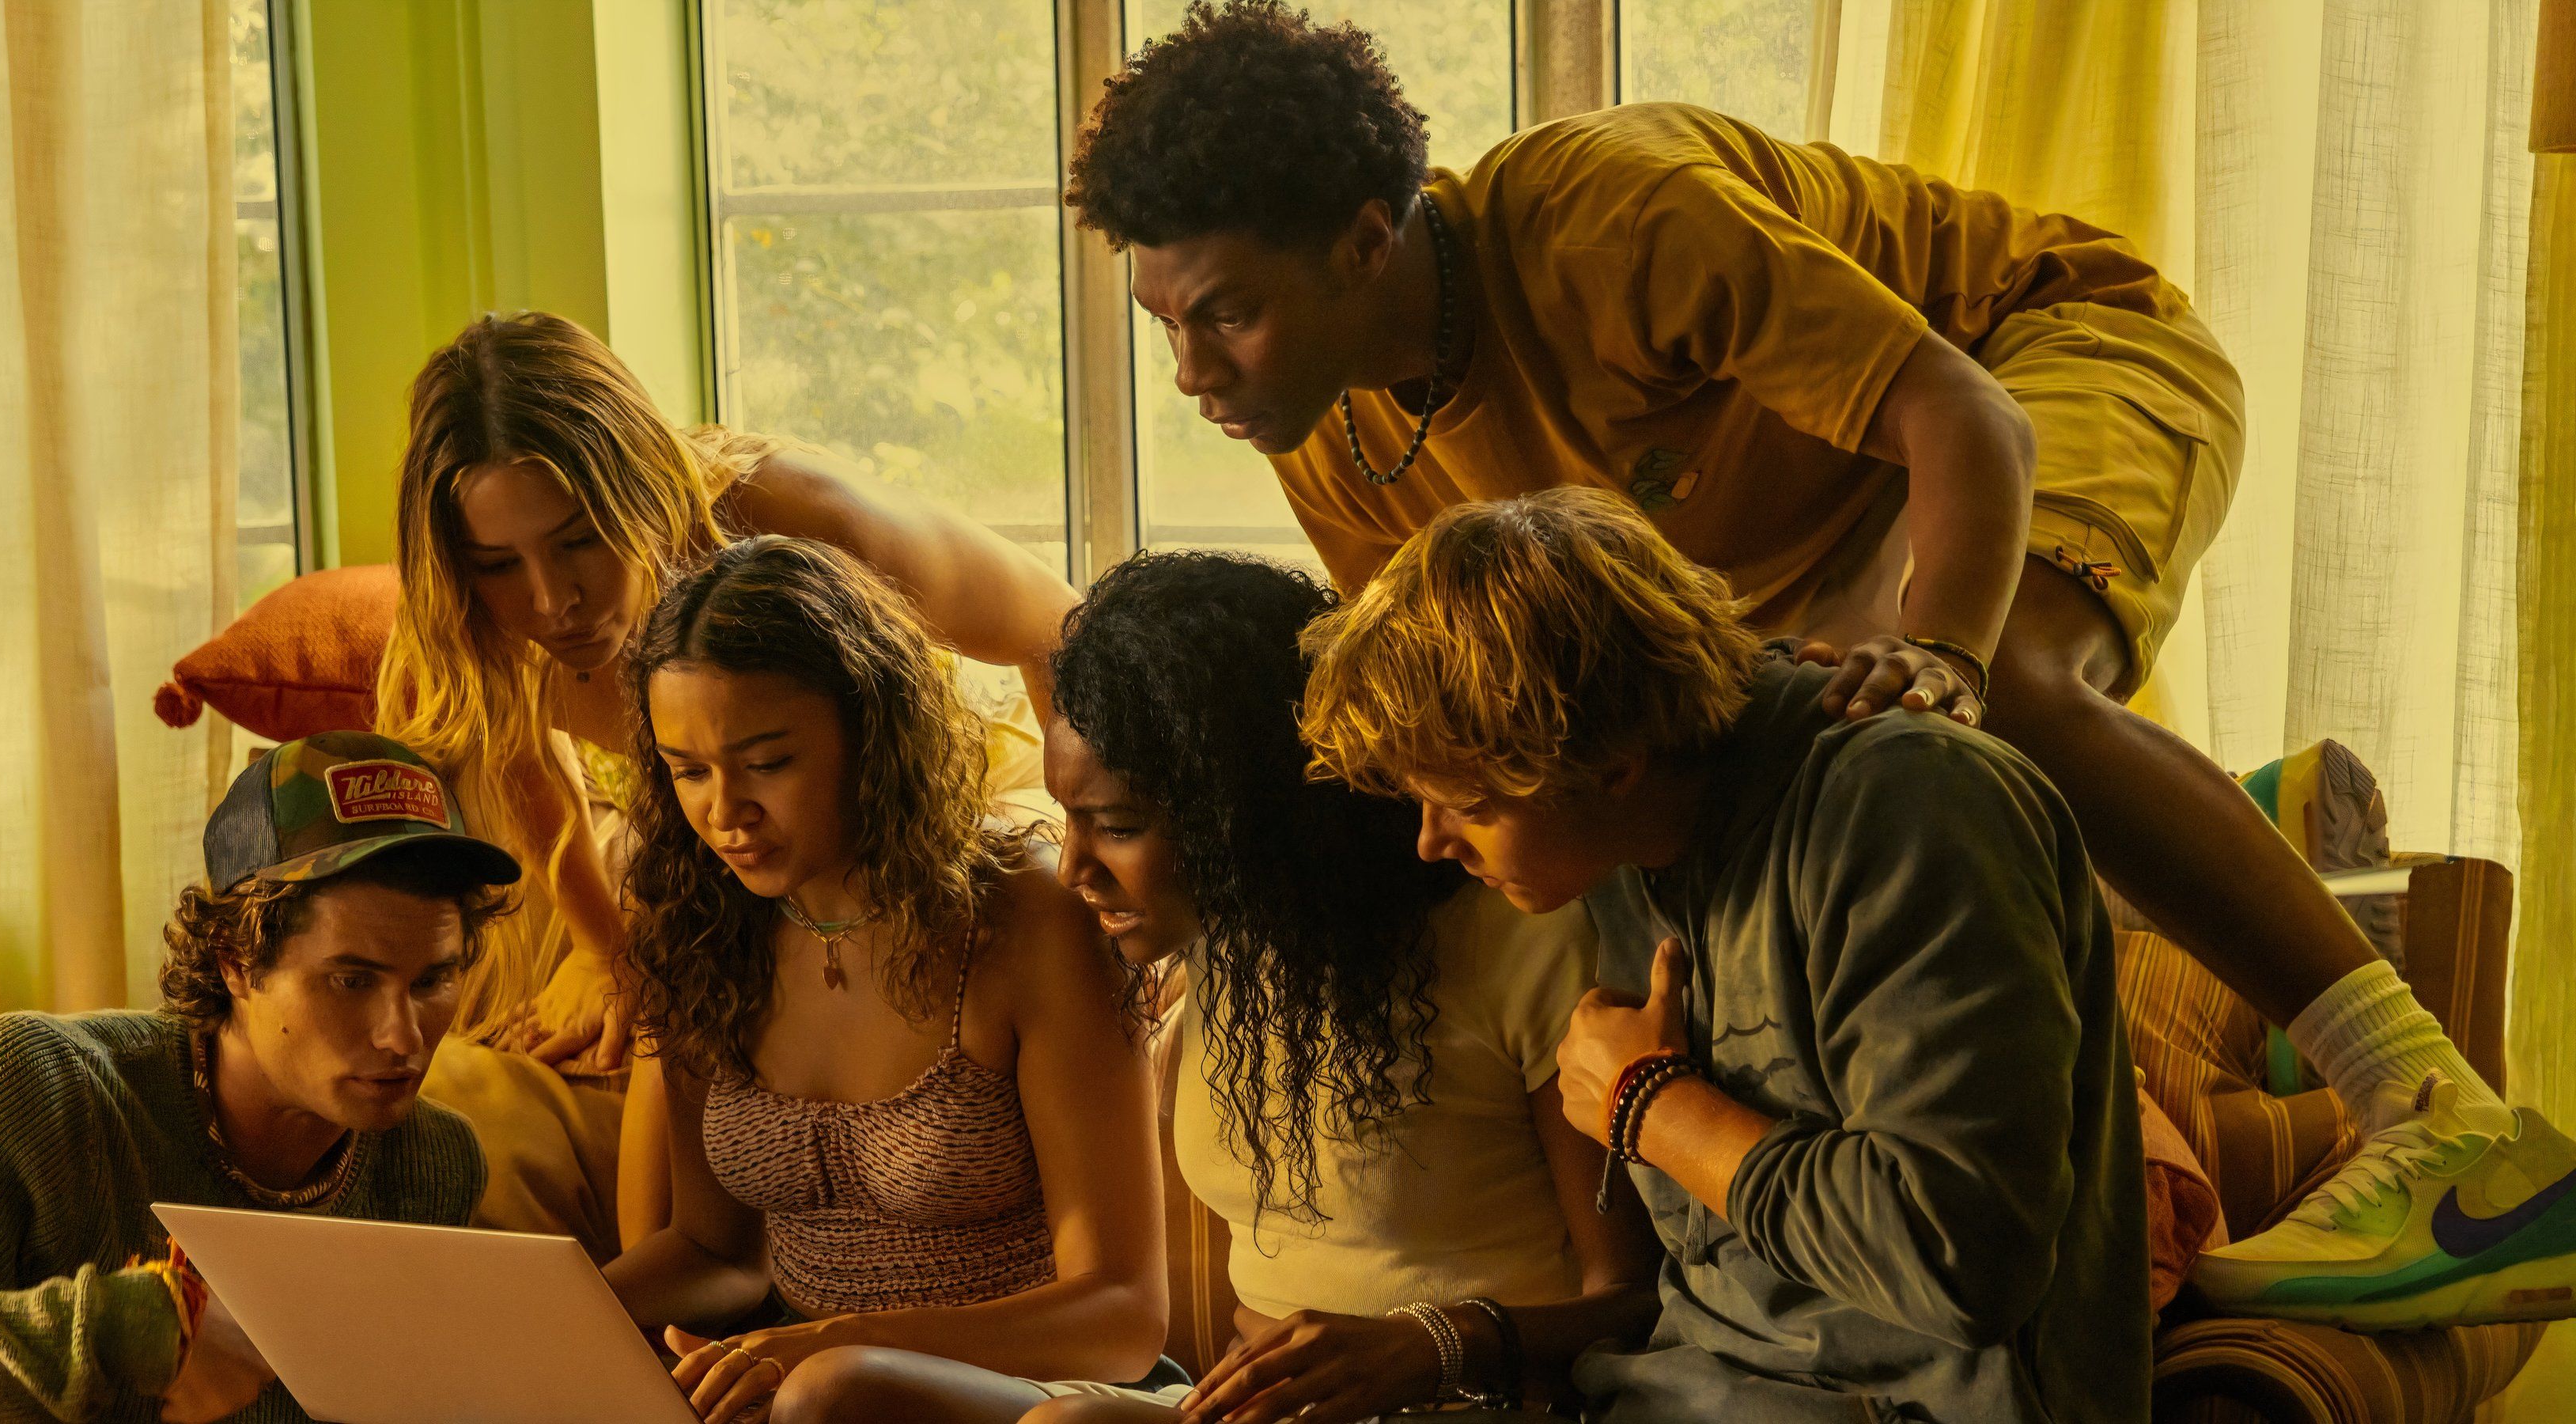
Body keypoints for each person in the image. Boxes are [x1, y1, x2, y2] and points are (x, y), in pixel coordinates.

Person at [1060, 0, 2572, 1308]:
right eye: (1166, 326)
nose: (1191, 374)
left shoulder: (1602, 219)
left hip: (2040, 365)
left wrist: (1952, 670)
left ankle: (2440, 1115)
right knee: (1726, 800)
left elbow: (1962, 415)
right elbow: (1473, 730)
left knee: (1988, 719)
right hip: (1796, 540)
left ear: (1366, 241)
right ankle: (2252, 830)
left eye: (1229, 317)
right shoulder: (1331, 428)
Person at [1298, 489, 2147, 1421]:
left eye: (1469, 804)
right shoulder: (1624, 839)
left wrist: (1652, 1109)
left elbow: (1960, 1262)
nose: (1431, 842)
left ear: (1612, 763)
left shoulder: (1911, 808)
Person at [376, 312, 1076, 1255]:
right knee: (668, 993)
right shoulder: (474, 623)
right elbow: (527, 763)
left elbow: (1062, 626)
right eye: (500, 564)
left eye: (581, 540)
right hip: (734, 822)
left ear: (644, 491)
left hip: (956, 789)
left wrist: (1096, 849)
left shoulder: (800, 517)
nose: (552, 602)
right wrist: (603, 947)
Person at [1020, 551, 1658, 1424]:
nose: (1072, 869)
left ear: (1242, 811)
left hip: (1482, 1402)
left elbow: (1637, 1302)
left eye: (1119, 827)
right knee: (866, 1395)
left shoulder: (1518, 939)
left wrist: (1429, 1347)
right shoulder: (1227, 944)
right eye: (1068, 819)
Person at [0, 732, 519, 1423]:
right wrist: (143, 1327)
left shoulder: (434, 1164)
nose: (404, 1035)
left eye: (432, 982)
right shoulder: (38, 1086)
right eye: (352, 982)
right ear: (237, 961)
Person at [599, 536, 1170, 1424]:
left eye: (769, 763)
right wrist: (539, 1318)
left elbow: (1123, 1315)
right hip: (798, 1391)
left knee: (838, 1392)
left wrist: (837, 1347)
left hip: (1032, 1395)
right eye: (688, 772)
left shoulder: (1026, 919)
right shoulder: (693, 924)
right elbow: (716, 1253)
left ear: (872, 731)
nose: (724, 811)